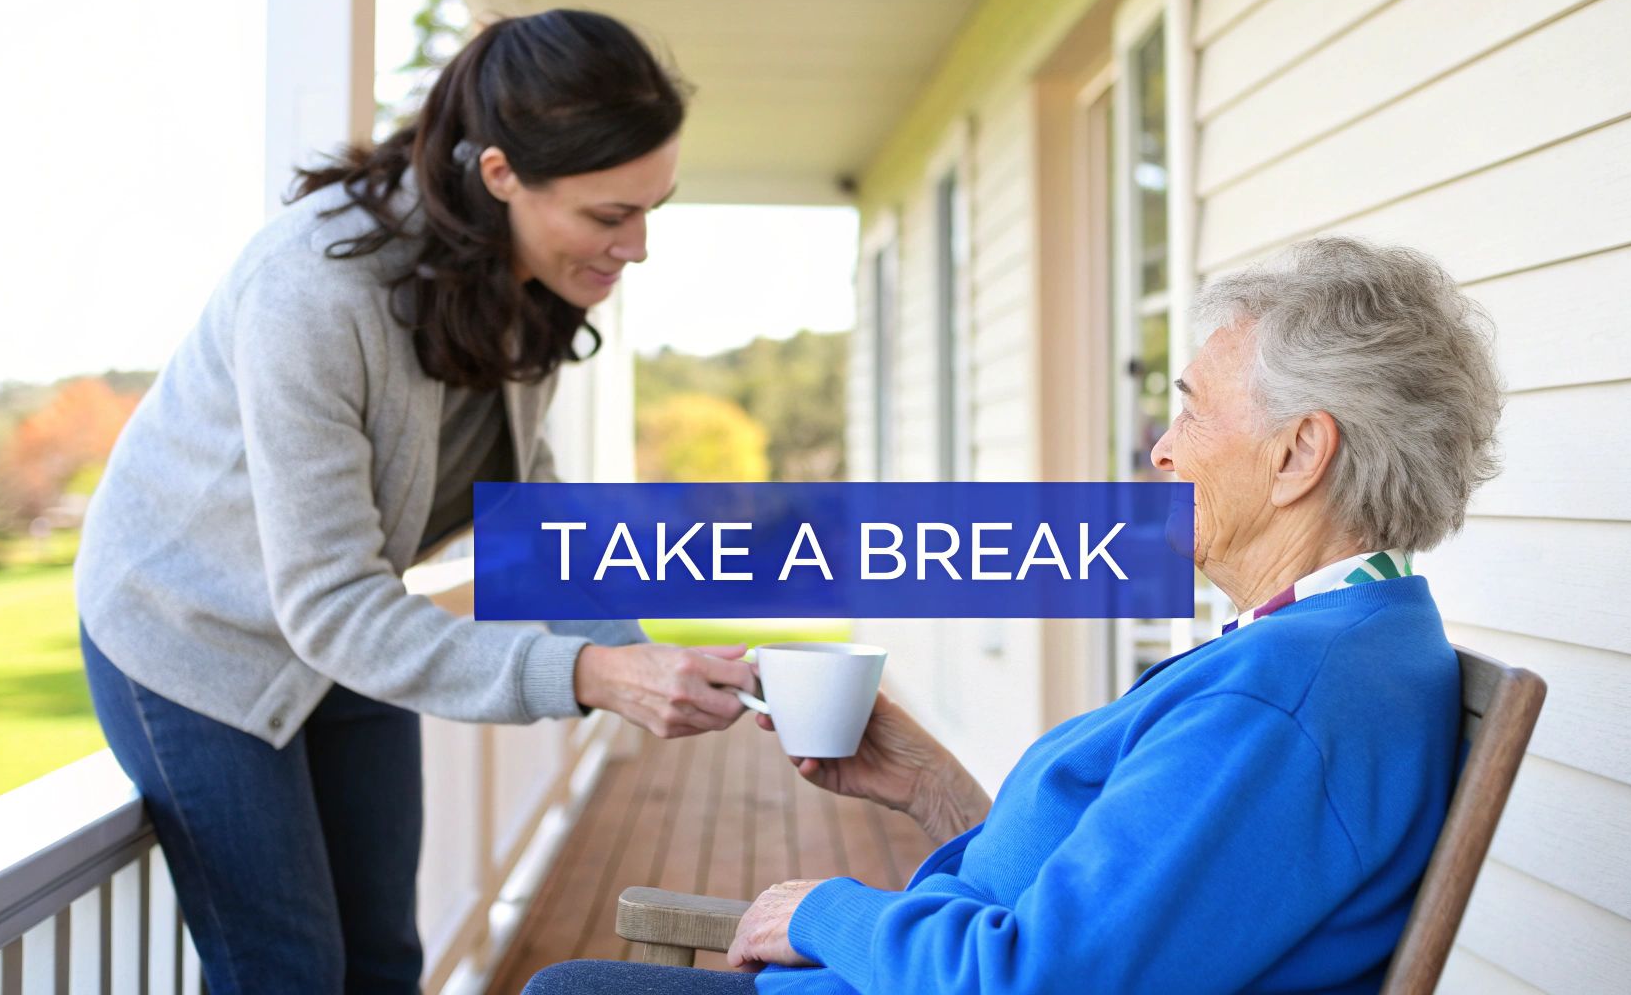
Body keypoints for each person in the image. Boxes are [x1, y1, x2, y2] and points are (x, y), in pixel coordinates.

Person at [524, 235, 1504, 994]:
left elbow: (1039, 979)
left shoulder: (1283, 703)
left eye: (1194, 412)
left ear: (1298, 454)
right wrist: (931, 789)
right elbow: (1116, 907)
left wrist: (826, 911)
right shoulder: (1334, 644)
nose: (1160, 450)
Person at [75, 10, 757, 994]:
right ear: (498, 175)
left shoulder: (521, 273)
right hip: (194, 630)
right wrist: (592, 672)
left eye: (652, 208)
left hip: (351, 618)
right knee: (290, 971)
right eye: (610, 215)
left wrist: (633, 647)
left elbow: (527, 493)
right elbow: (327, 604)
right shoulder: (311, 289)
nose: (638, 246)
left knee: (385, 958)